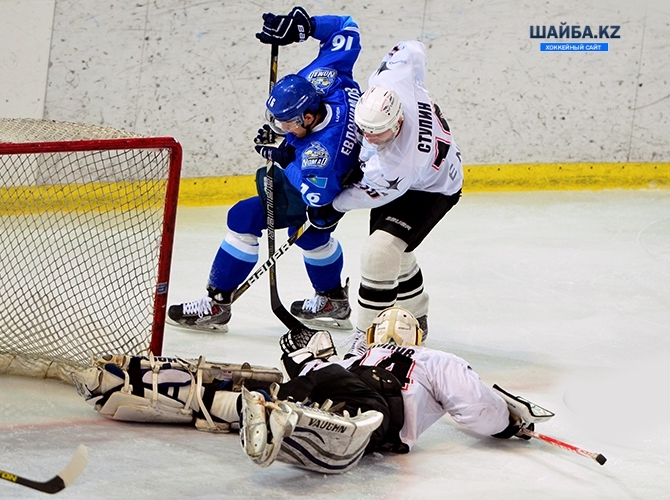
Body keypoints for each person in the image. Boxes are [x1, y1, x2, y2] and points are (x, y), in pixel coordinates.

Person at [72, 308, 553, 475]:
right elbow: (477, 408)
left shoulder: (358, 355)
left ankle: (155, 384)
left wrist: (305, 360)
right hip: (374, 411)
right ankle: (284, 414)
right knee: (360, 415)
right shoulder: (437, 360)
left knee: (292, 386)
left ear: (372, 336)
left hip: (330, 379)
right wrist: (507, 424)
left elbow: (327, 369)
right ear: (418, 338)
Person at [167, 6, 363, 332]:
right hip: (334, 171)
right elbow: (346, 26)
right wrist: (306, 27)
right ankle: (333, 300)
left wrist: (286, 157)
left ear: (309, 117)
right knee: (310, 237)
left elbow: (315, 196)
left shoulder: (321, 154)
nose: (282, 127)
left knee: (244, 218)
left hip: (328, 185)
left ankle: (216, 305)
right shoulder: (327, 79)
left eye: (288, 123)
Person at [303, 40, 464, 349]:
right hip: (425, 172)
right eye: (365, 130)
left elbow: (365, 194)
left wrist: (332, 204)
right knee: (395, 253)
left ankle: (366, 337)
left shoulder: (400, 161)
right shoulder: (392, 79)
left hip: (433, 188)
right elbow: (411, 49)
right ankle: (416, 315)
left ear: (398, 120)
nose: (370, 138)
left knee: (379, 252)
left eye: (378, 133)